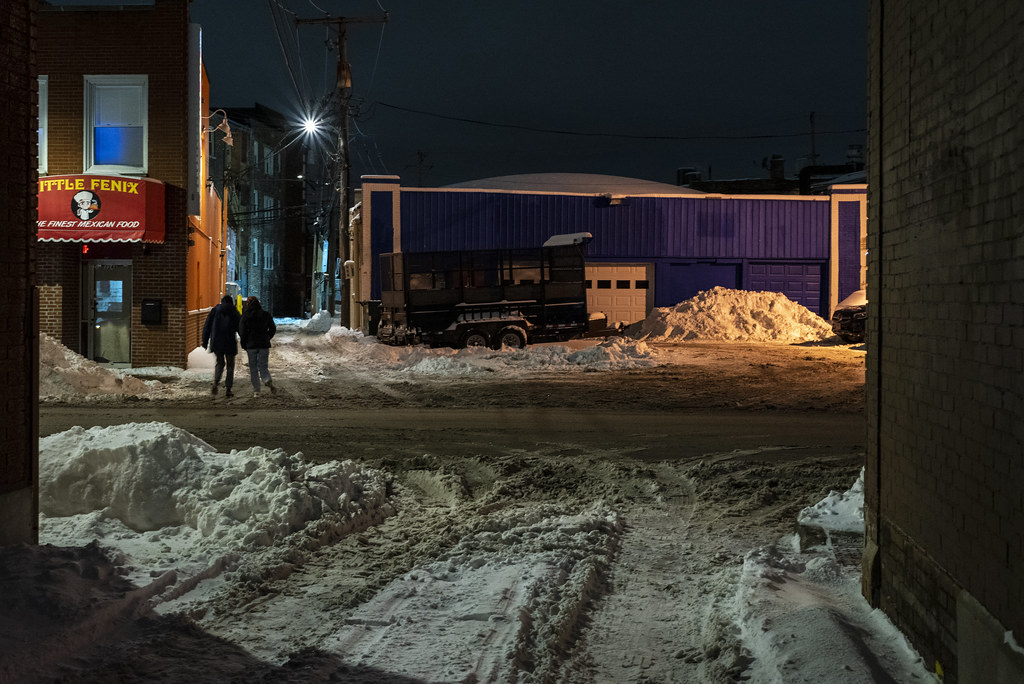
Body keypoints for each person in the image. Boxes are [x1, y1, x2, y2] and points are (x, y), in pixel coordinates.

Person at [201, 295, 241, 398]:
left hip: (217, 342)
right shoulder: (233, 311)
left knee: (220, 363)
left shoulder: (215, 310)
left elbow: (207, 326)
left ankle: (216, 382)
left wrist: (205, 341)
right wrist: (245, 340)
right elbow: (240, 327)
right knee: (230, 366)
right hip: (229, 342)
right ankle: (228, 389)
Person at [239, 296, 276, 397]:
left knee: (253, 368)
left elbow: (242, 331)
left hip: (251, 345)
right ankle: (267, 379)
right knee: (263, 366)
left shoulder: (246, 316)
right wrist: (268, 337)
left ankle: (256, 390)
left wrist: (244, 343)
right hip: (263, 344)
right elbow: (272, 328)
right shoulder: (265, 315)